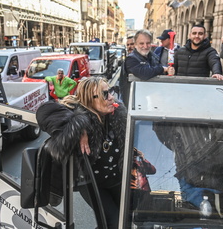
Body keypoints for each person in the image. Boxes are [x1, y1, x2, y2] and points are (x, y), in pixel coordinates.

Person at [36, 77, 127, 229]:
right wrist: (77, 125)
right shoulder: (79, 114)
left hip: (116, 177)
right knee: (114, 221)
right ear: (90, 100)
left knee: (126, 217)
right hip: (91, 181)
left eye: (111, 91)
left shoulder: (117, 113)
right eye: (105, 94)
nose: (111, 97)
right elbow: (44, 112)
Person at [120, 29, 175, 107]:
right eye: (141, 43)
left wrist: (168, 71)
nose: (145, 46)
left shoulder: (154, 56)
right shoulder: (131, 59)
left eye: (148, 43)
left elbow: (158, 74)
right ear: (135, 44)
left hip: (154, 101)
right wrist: (163, 69)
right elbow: (144, 73)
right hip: (135, 103)